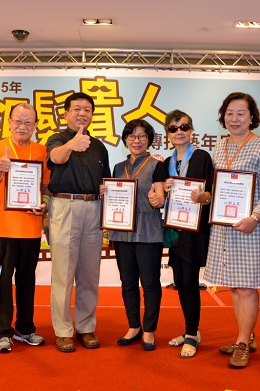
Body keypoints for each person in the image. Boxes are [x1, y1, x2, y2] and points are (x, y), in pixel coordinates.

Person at [205, 92, 260, 368]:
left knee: (247, 287)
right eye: (229, 113)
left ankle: (242, 344)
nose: (234, 118)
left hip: (252, 227)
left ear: (252, 117)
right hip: (225, 227)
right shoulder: (219, 146)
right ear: (223, 116)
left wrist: (255, 217)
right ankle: (246, 337)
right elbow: (215, 187)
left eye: (241, 113)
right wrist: (204, 197)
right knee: (236, 286)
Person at [47, 92, 110, 353]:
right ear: (66, 113)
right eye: (77, 109)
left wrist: (108, 191)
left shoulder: (99, 146)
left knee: (89, 273)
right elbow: (55, 158)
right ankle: (63, 330)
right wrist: (72, 144)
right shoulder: (58, 139)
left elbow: (106, 180)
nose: (82, 113)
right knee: (63, 273)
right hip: (65, 206)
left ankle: (85, 327)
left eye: (87, 110)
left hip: (93, 208)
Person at [0, 102, 51, 353]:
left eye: (28, 122)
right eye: (18, 121)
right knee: (2, 281)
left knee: (27, 280)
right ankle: (3, 332)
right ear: (9, 122)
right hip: (3, 229)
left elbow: (45, 187)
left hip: (31, 228)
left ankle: (25, 328)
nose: (23, 126)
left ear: (35, 126)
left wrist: (43, 204)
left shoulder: (41, 151)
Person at [101, 120, 167, 351]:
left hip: (148, 231)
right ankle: (133, 326)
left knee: (149, 283)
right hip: (121, 233)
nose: (136, 141)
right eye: (131, 136)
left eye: (141, 136)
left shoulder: (157, 165)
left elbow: (161, 196)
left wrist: (159, 199)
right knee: (127, 282)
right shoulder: (118, 167)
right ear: (125, 140)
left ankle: (149, 329)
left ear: (149, 139)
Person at [162, 109, 214, 359]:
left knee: (190, 283)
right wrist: (163, 186)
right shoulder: (165, 163)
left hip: (194, 231)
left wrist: (205, 197)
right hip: (174, 231)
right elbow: (156, 197)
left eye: (184, 127)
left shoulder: (202, 157)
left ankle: (192, 334)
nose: (179, 132)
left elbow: (213, 192)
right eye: (173, 129)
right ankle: (189, 330)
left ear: (191, 131)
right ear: (167, 134)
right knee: (181, 283)